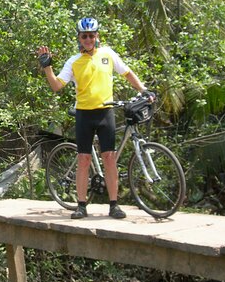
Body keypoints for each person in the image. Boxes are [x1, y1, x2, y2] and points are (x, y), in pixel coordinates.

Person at [37, 17, 155, 219]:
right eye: (85, 36)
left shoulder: (108, 54)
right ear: (79, 38)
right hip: (84, 114)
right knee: (84, 159)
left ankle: (114, 205)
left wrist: (144, 90)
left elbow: (127, 73)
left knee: (109, 159)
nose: (89, 39)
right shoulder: (73, 62)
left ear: (97, 36)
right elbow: (57, 86)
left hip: (105, 113)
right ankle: (81, 205)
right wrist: (47, 67)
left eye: (92, 35)